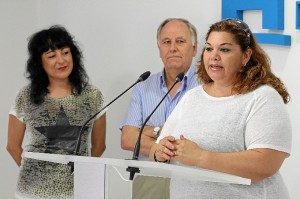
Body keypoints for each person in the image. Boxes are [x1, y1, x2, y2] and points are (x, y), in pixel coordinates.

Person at [149, 18, 292, 199]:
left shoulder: (262, 98)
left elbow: (266, 163)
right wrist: (160, 152)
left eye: (224, 49)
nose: (214, 56)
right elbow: (156, 148)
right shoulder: (192, 97)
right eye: (209, 48)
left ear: (245, 56)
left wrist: (201, 157)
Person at [6, 25, 106, 199]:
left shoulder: (93, 95)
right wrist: (36, 173)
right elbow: (12, 146)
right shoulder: (25, 96)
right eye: (52, 56)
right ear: (39, 63)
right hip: (32, 193)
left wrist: (83, 173)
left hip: (78, 192)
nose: (61, 60)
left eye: (65, 52)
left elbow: (99, 146)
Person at [120, 18, 199, 199]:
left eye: (180, 41)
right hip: (149, 180)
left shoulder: (208, 86)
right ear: (159, 49)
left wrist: (148, 134)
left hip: (193, 181)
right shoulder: (143, 86)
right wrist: (159, 132)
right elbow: (128, 139)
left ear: (194, 48)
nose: (172, 48)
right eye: (166, 42)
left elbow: (201, 139)